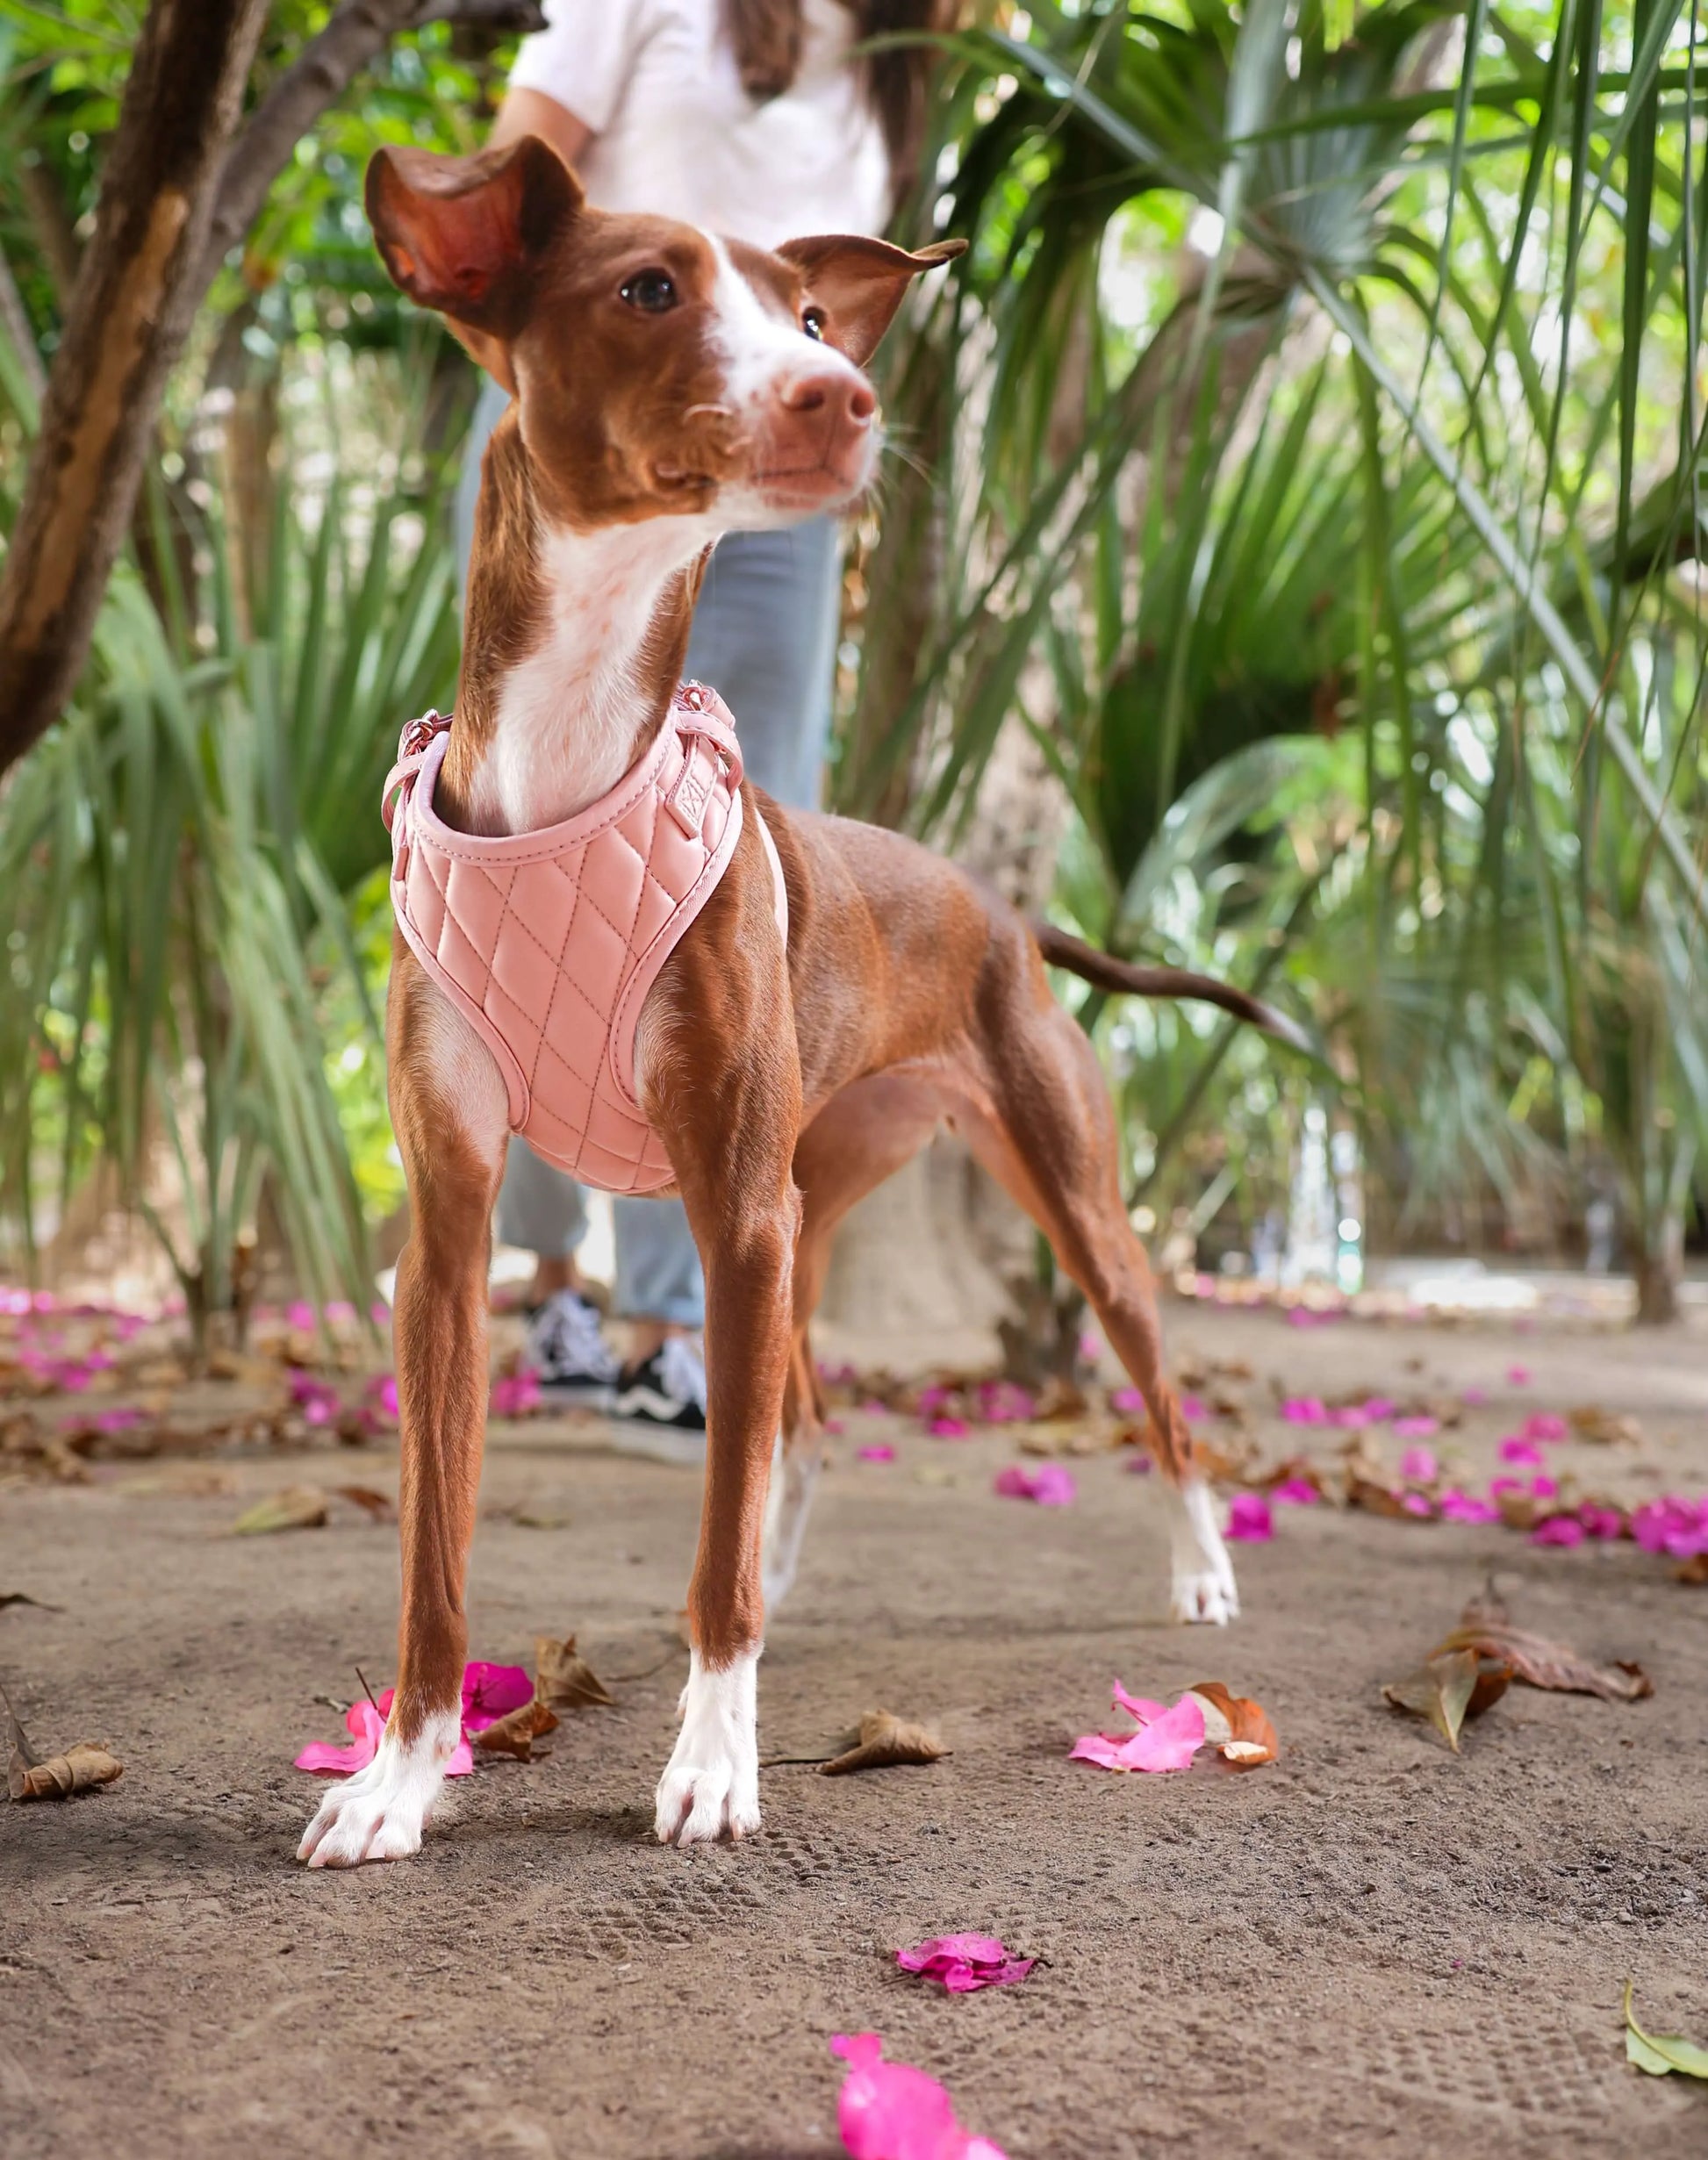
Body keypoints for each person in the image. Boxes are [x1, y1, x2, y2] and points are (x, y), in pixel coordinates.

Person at [455, 0, 951, 1427]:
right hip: (593, 465)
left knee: (733, 887)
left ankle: (671, 1322)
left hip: (766, 495)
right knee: (518, 853)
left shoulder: (902, 60)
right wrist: (594, 429)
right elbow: (510, 212)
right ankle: (551, 1280)